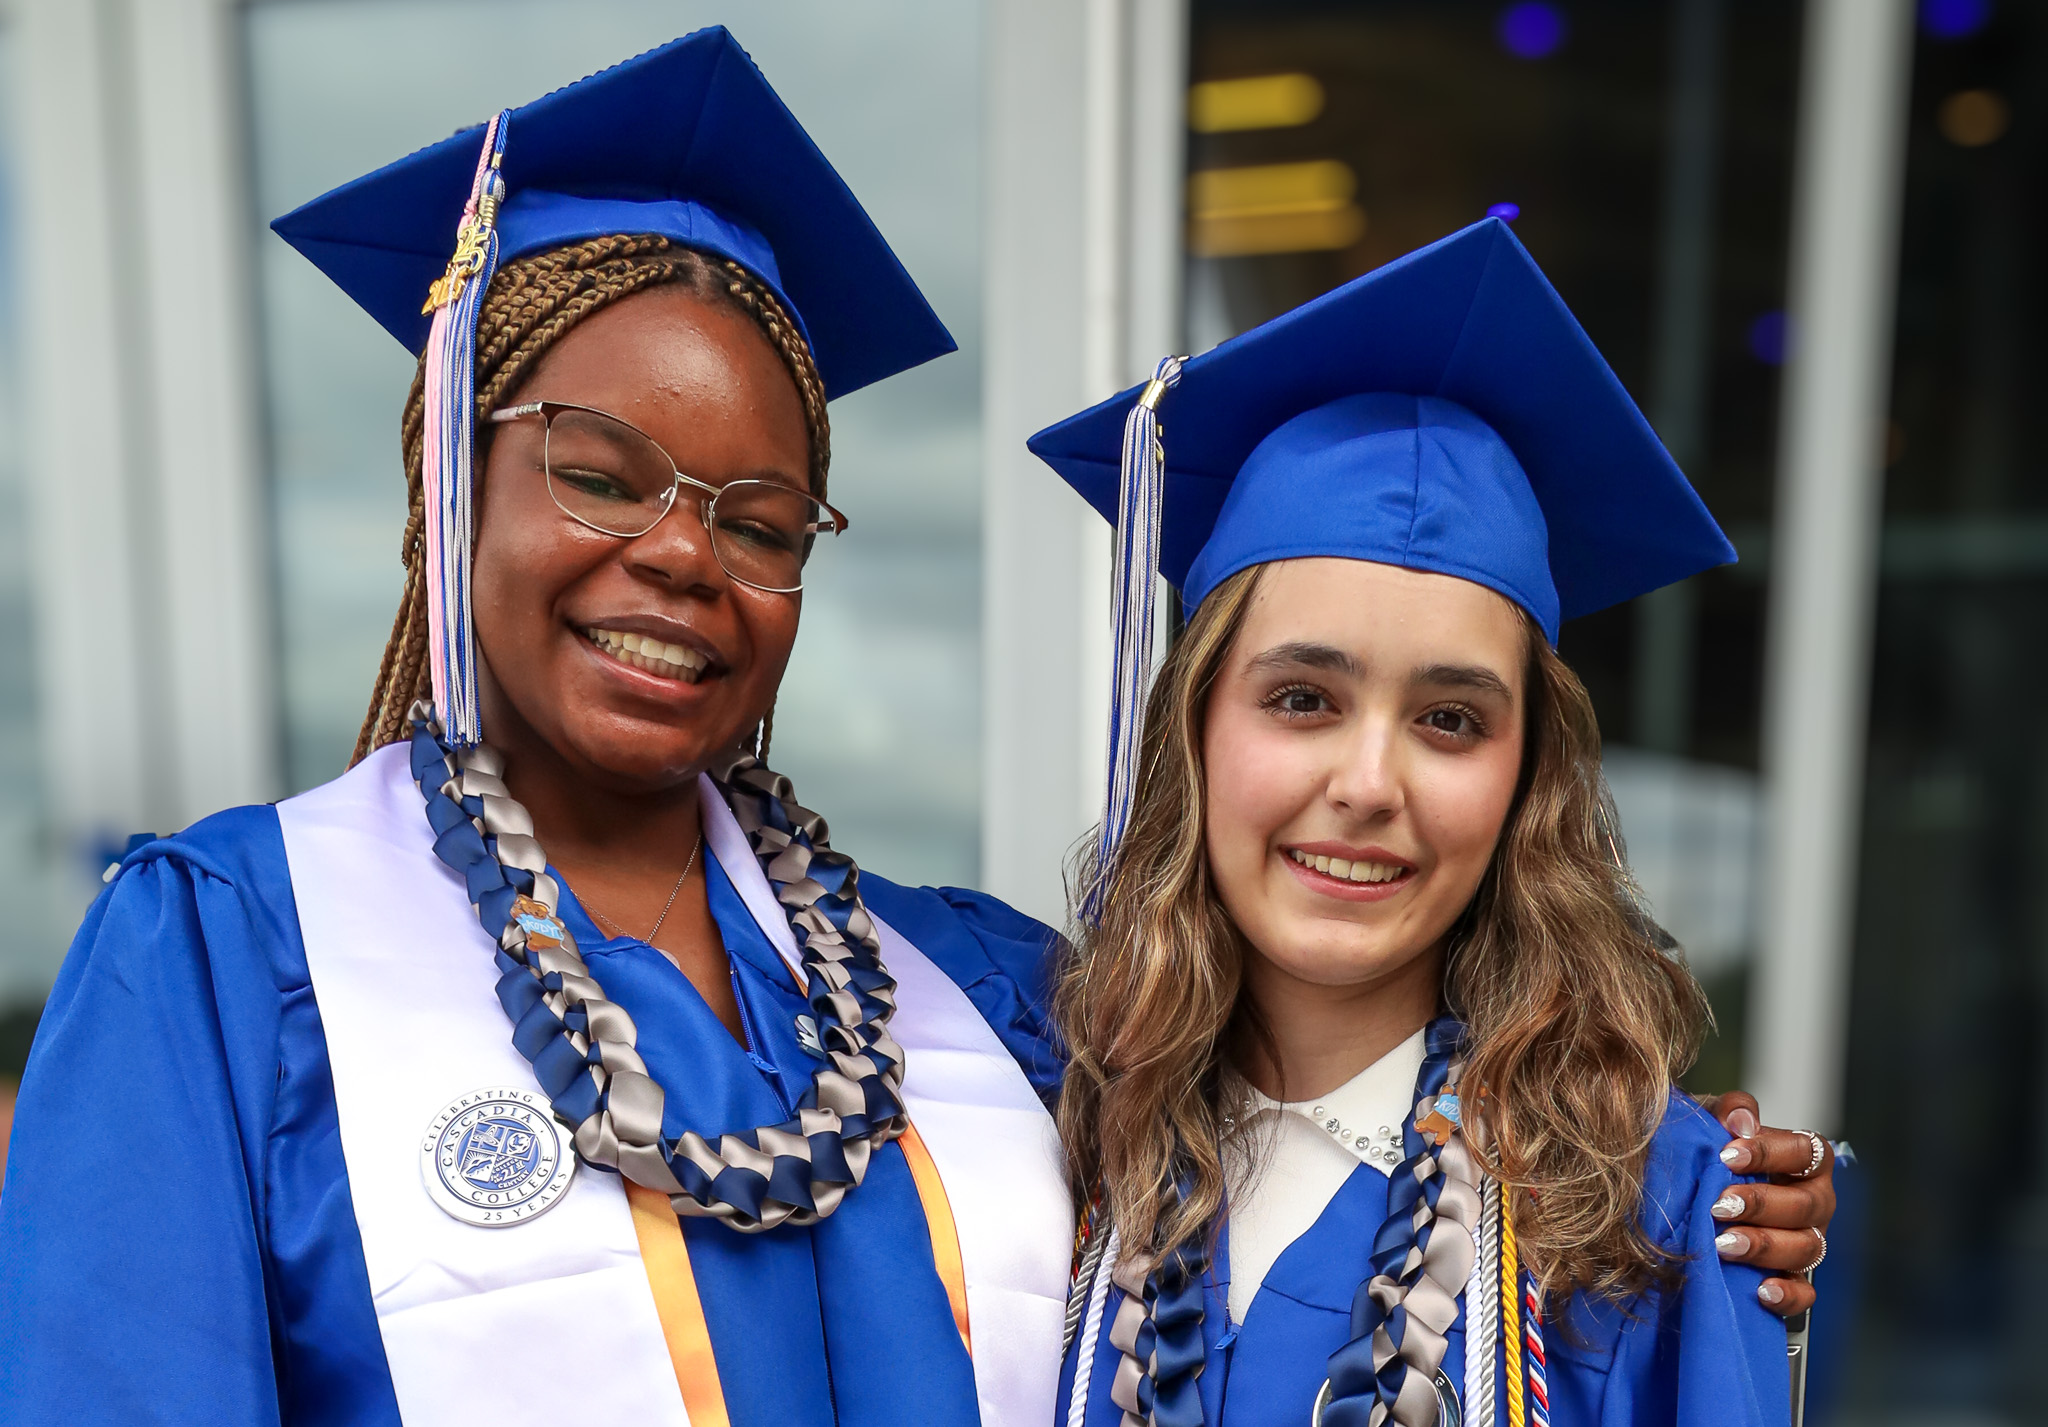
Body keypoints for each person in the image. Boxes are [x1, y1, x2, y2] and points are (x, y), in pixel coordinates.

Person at [0, 31, 1825, 1427]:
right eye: (596, 470)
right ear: (444, 480)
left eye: (758, 516)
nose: (678, 557)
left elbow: (1317, 1074)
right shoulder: (235, 962)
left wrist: (1670, 1166)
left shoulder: (974, 997)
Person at [1031, 217, 1813, 1426]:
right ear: (1191, 728)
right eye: (1300, 698)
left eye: (1450, 718)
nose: (1367, 780)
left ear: (1526, 777)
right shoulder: (1045, 1112)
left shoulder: (1641, 1221)